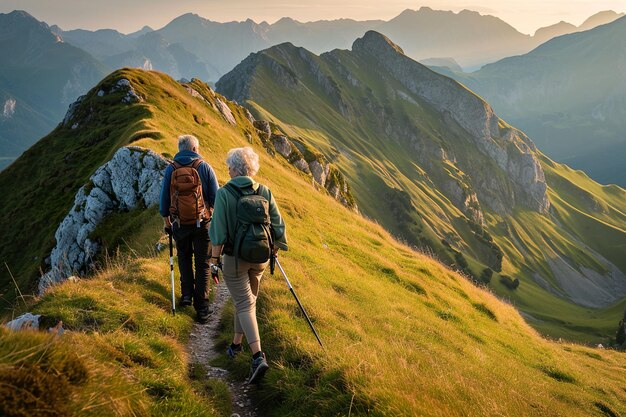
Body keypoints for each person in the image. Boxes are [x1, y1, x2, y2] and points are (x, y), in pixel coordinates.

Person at [209, 147, 287, 384]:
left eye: (229, 166)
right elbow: (279, 226)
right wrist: (274, 249)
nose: (227, 169)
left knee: (244, 304)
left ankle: (257, 357)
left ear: (234, 169)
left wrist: (214, 261)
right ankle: (235, 345)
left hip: (235, 259)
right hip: (261, 258)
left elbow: (218, 232)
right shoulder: (264, 191)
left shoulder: (224, 193)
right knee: (247, 301)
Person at [160, 134, 219, 323]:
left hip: (179, 224)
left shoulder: (171, 169)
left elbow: (164, 200)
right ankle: (202, 308)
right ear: (194, 149)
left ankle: (186, 295)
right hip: (203, 224)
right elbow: (216, 197)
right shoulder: (204, 167)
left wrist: (167, 222)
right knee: (202, 263)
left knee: (184, 257)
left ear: (180, 149)